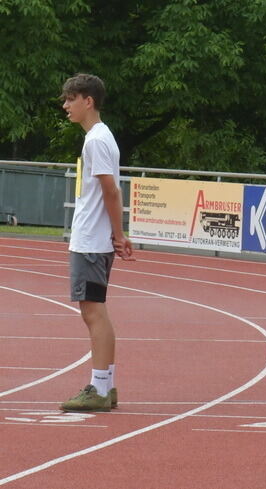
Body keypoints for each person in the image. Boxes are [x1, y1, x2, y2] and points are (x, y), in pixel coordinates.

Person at [59, 74, 134, 412]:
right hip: (93, 237)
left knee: (93, 312)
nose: (65, 106)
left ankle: (100, 387)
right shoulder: (99, 138)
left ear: (87, 100)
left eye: (70, 99)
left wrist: (118, 234)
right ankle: (106, 384)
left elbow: (111, 190)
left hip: (91, 240)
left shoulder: (96, 140)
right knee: (94, 311)